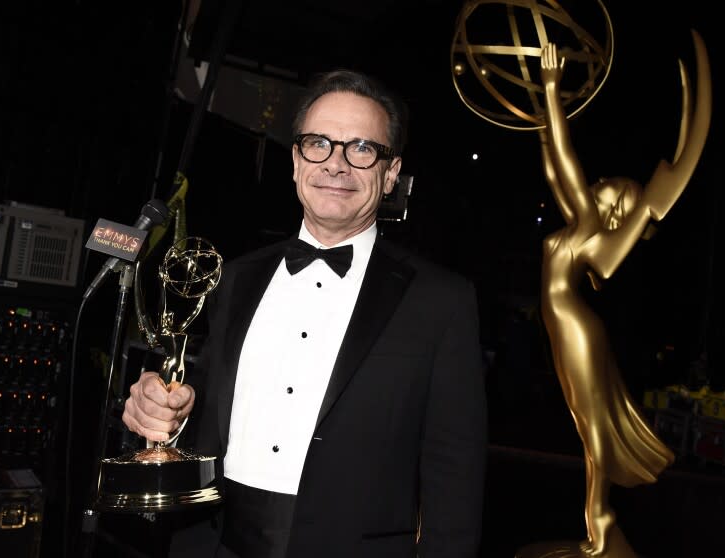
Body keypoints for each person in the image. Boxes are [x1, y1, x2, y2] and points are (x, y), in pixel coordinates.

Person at [122, 68, 488, 558]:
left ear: (391, 172)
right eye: (319, 143)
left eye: (361, 148)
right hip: (211, 541)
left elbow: (455, 478)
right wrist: (162, 408)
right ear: (295, 160)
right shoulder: (230, 279)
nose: (335, 164)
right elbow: (196, 401)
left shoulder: (441, 301)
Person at [536, 34, 710, 556]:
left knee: (593, 433)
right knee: (585, 428)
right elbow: (552, 161)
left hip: (576, 329)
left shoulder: (593, 227)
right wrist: (544, 112)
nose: (600, 182)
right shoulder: (582, 222)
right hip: (568, 327)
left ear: (617, 206)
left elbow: (565, 157)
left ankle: (601, 522)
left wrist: (550, 91)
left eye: (610, 184)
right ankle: (598, 524)